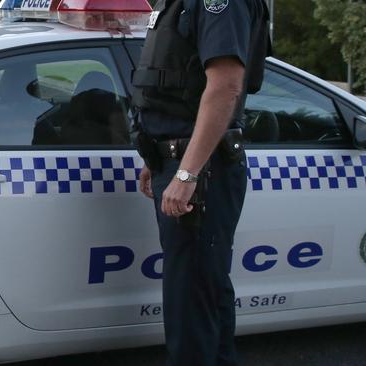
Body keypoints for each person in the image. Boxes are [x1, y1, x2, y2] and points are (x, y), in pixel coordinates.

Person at [131, 0, 272, 365]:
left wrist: (187, 172)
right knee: (203, 290)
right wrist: (157, 159)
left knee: (191, 299)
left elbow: (226, 86)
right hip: (179, 160)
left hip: (203, 172)